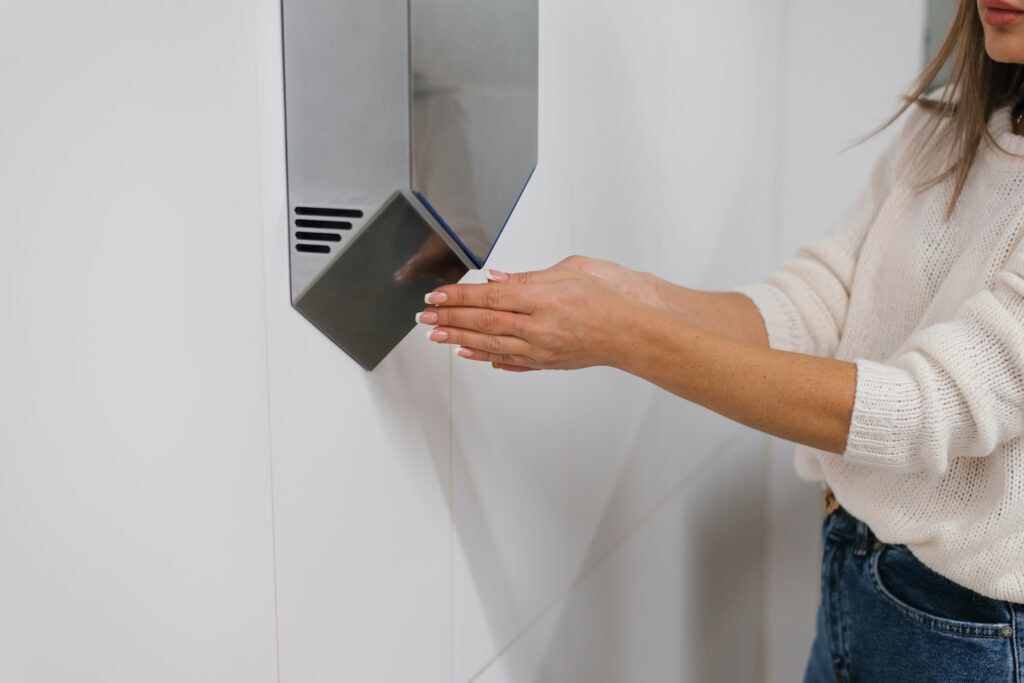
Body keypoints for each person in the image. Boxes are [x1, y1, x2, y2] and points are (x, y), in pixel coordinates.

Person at [417, 1, 1024, 680]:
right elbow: (825, 297)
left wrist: (622, 333)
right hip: (860, 577)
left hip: (969, 634)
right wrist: (637, 294)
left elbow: (924, 409)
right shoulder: (954, 122)